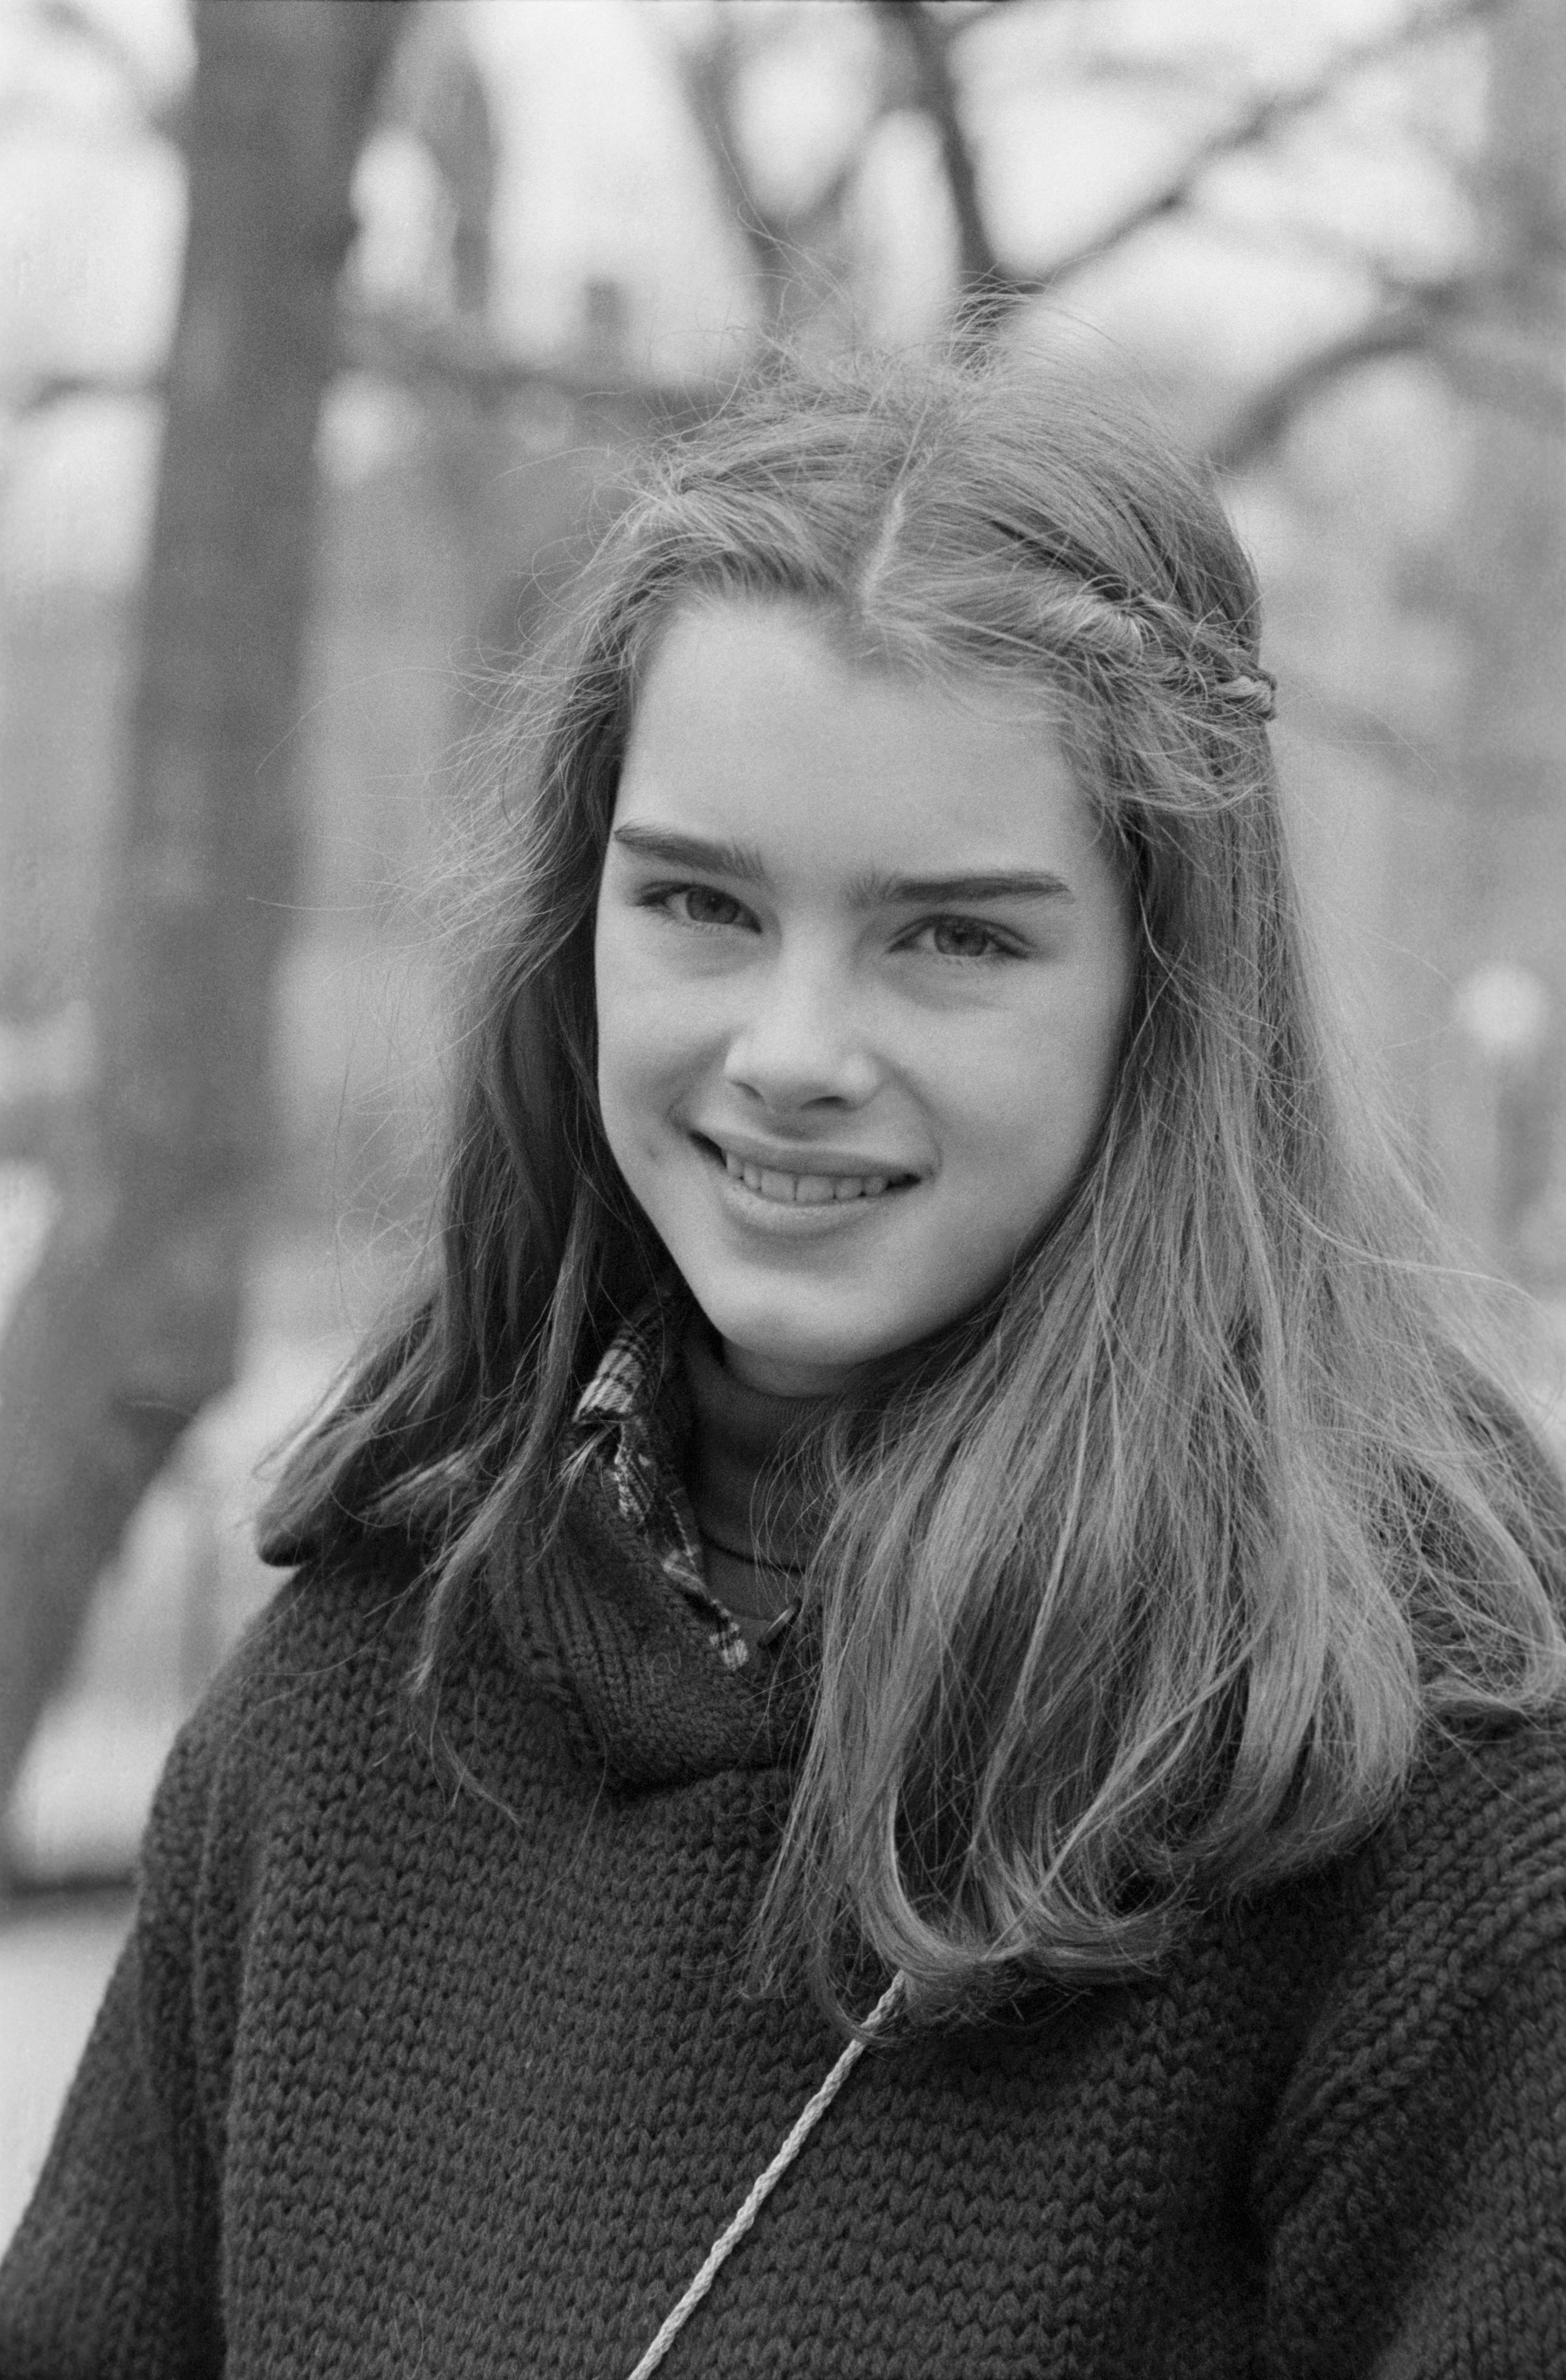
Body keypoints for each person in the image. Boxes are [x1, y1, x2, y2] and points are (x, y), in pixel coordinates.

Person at [4, 346, 1565, 2379]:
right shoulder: (358, 1693)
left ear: (1165, 995)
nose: (796, 1051)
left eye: (955, 937)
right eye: (702, 906)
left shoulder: (1422, 1773)